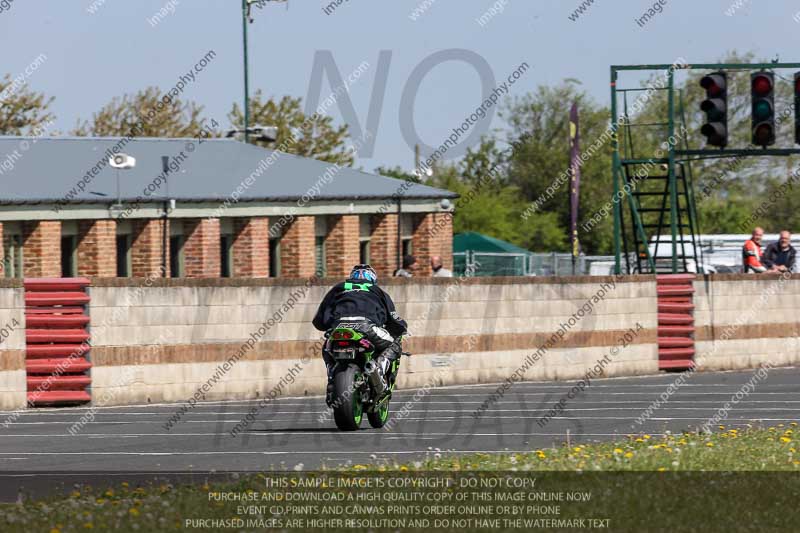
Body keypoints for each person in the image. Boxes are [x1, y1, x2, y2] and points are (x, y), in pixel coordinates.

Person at [312, 264, 408, 406]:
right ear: (373, 279)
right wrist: (402, 327)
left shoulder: (338, 288)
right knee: (395, 342)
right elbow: (394, 319)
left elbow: (319, 320)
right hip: (367, 328)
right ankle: (378, 369)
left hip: (339, 328)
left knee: (327, 346)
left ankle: (332, 377)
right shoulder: (377, 291)